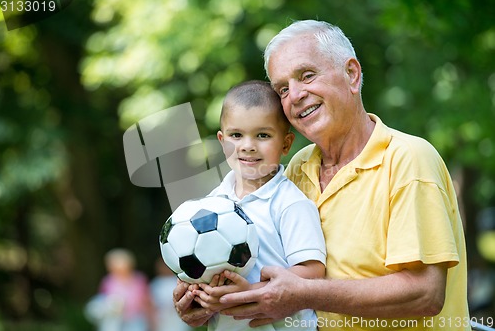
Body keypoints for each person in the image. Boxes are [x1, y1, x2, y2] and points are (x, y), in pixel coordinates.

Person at [174, 20, 470, 331]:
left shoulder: (408, 159)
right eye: (283, 89)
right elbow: (259, 273)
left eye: (307, 76)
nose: (296, 95)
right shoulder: (295, 169)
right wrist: (204, 298)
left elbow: (425, 294)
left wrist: (303, 294)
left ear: (351, 75)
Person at [187, 80, 327, 330]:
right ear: (222, 140)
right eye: (236, 135)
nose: (248, 145)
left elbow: (312, 272)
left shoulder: (291, 204)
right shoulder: (210, 206)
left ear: (285, 144)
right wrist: (194, 296)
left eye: (262, 135)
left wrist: (252, 292)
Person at [86, 248, 153, 331]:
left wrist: (151, 322)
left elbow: (147, 302)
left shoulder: (139, 279)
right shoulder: (108, 281)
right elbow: (101, 301)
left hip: (136, 320)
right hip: (115, 322)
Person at [150, 259, 192, 331]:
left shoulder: (178, 280)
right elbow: (151, 303)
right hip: (162, 317)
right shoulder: (156, 283)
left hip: (177, 316)